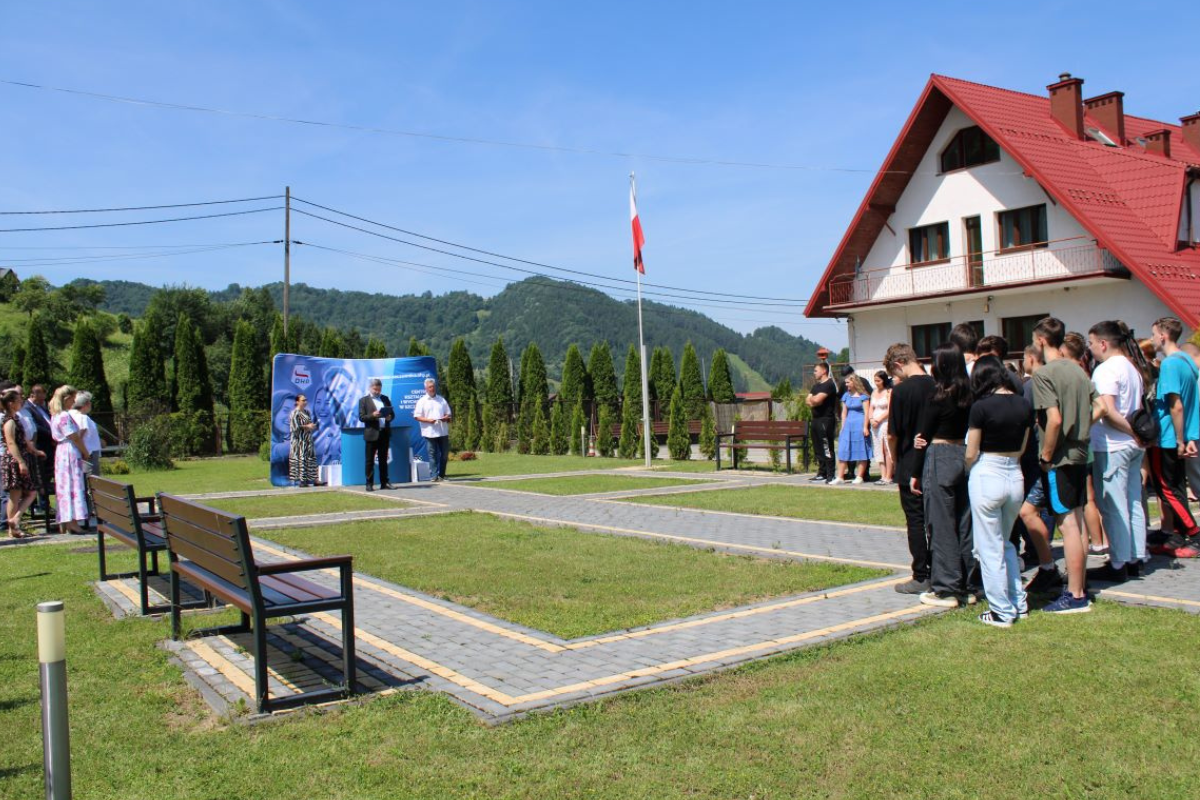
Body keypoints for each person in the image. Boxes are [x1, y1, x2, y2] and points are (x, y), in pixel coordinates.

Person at [1030, 317, 1098, 614]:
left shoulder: (1044, 374)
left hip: (1060, 458)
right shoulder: (1079, 370)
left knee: (1067, 524)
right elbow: (1100, 406)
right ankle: (1078, 586)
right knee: (1078, 522)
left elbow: (1054, 419)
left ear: (1041, 340)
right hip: (1081, 454)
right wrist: (1080, 427)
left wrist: (1046, 455)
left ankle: (1075, 594)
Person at [965, 357, 1032, 626]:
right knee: (1005, 543)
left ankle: (1001, 610)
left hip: (987, 470)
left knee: (988, 547)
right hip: (1014, 472)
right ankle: (1018, 601)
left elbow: (972, 450)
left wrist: (968, 468)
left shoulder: (980, 407)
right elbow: (1023, 447)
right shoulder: (1024, 403)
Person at [913, 343, 975, 608]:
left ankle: (945, 588)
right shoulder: (969, 395)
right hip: (964, 453)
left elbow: (923, 436)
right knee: (965, 523)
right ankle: (968, 586)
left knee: (940, 524)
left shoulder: (938, 396)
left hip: (939, 455)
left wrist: (915, 472)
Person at [1085, 321, 1147, 583]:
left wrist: (1132, 431)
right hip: (1132, 446)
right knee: (1133, 501)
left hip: (1113, 445)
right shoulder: (1132, 367)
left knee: (1113, 504)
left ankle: (1119, 561)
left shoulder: (1106, 370)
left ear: (1103, 343)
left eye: (1091, 343)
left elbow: (1108, 410)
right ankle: (1135, 557)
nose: (1090, 349)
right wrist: (1136, 434)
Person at [1145, 316, 1200, 557]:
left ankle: (1195, 534)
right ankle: (1178, 535)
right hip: (1183, 433)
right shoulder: (1187, 360)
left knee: (1166, 488)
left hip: (1168, 436)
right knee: (1176, 487)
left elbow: (1176, 404)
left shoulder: (1169, 364)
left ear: (1163, 336)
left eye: (1154, 334)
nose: (1152, 338)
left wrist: (1179, 439)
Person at [884, 343, 936, 594]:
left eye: (894, 373)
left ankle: (920, 574)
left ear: (898, 365)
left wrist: (893, 460)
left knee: (915, 522)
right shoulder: (936, 385)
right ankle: (940, 569)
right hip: (935, 460)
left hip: (908, 461)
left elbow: (892, 434)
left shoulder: (901, 391)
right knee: (936, 520)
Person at [50, 385, 90, 534]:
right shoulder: (64, 416)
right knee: (72, 484)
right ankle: (72, 522)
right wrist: (85, 452)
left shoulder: (55, 415)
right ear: (66, 399)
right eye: (72, 398)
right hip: (69, 452)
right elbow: (73, 436)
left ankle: (66, 520)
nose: (74, 401)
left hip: (61, 452)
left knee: (64, 486)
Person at [2, 387, 42, 538]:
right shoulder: (9, 422)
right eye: (19, 401)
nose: (21, 403)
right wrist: (21, 462)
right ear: (11, 404)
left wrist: (35, 451)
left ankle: (14, 525)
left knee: (23, 492)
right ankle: (14, 522)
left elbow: (23, 440)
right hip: (14, 460)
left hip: (20, 458)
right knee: (19, 493)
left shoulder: (16, 419)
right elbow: (11, 443)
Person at [830, 374, 871, 484]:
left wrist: (865, 427)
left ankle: (859, 476)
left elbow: (867, 413)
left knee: (861, 450)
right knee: (843, 450)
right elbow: (844, 413)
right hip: (848, 425)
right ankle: (840, 477)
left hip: (860, 425)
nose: (846, 384)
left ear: (854, 382)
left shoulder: (864, 396)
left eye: (848, 382)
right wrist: (843, 427)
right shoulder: (846, 396)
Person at [357, 378, 395, 491]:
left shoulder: (385, 398)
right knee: (370, 460)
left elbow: (392, 415)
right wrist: (373, 415)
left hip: (384, 433)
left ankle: (385, 482)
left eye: (379, 389)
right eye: (375, 389)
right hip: (371, 434)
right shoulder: (363, 400)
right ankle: (369, 483)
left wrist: (389, 417)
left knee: (383, 460)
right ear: (370, 388)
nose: (377, 391)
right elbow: (362, 417)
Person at [413, 378, 453, 482]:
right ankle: (434, 476)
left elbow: (448, 414)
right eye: (430, 387)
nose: (432, 389)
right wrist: (428, 420)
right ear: (426, 388)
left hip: (442, 431)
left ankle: (442, 475)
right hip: (429, 432)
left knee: (444, 454)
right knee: (432, 454)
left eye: (434, 387)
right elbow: (417, 416)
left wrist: (446, 418)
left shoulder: (441, 400)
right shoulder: (422, 401)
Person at [806, 362, 838, 482]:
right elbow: (808, 401)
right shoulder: (816, 386)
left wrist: (814, 400)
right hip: (815, 420)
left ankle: (830, 474)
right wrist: (813, 400)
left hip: (826, 420)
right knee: (818, 447)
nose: (814, 373)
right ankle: (822, 472)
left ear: (824, 371)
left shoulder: (829, 385)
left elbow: (817, 400)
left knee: (826, 447)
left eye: (816, 370)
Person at [289, 394, 325, 487]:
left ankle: (315, 479)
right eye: (303, 400)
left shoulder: (307, 412)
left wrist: (312, 426)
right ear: (297, 402)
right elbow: (294, 427)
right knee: (301, 459)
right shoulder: (294, 413)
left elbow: (308, 424)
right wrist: (307, 426)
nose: (305, 402)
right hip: (299, 440)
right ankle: (302, 481)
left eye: (305, 400)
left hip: (308, 439)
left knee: (311, 459)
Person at [870, 370, 893, 485]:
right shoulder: (874, 392)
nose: (876, 383)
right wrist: (871, 419)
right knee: (878, 449)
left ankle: (889, 476)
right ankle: (882, 475)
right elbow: (871, 408)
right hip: (874, 424)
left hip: (884, 422)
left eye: (878, 380)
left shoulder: (889, 392)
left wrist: (879, 420)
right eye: (875, 380)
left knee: (886, 448)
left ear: (884, 380)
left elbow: (890, 409)